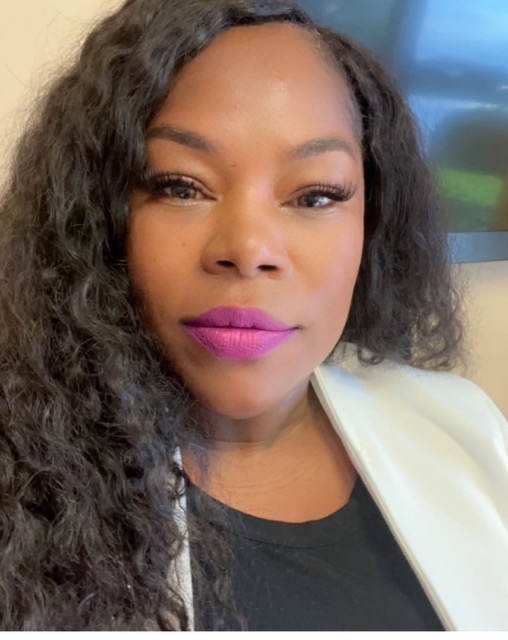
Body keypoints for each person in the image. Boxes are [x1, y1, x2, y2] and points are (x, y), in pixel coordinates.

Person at [0, 0, 506, 632]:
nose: (247, 248)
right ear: (98, 214)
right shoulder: (20, 472)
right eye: (180, 186)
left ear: (371, 222)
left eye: (315, 195)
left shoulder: (467, 430)